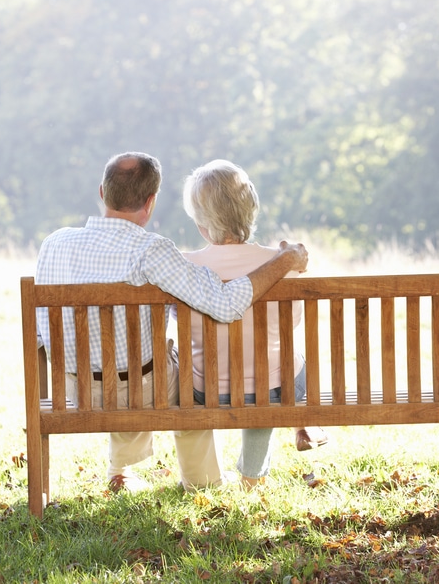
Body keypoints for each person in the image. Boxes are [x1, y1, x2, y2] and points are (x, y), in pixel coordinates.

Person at [35, 151, 308, 493]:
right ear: (150, 202)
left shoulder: (54, 243)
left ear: (103, 192)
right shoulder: (152, 250)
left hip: (73, 389)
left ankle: (119, 470)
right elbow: (224, 305)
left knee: (143, 363)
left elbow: (39, 329)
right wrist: (284, 260)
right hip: (141, 388)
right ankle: (203, 482)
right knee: (174, 375)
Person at [175, 159, 327, 489]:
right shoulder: (283, 261)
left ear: (201, 225)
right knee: (274, 372)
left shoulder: (185, 266)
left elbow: (177, 319)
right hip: (273, 389)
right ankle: (253, 474)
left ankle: (201, 477)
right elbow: (294, 321)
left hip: (207, 390)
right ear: (251, 211)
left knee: (257, 374)